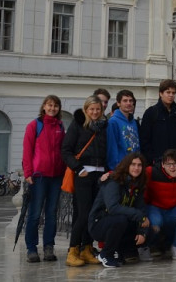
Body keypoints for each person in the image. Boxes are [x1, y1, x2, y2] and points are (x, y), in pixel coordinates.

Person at [61, 95, 108, 266]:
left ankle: (87, 248)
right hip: (84, 174)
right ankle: (73, 249)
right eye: (92, 109)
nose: (95, 112)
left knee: (93, 214)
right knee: (83, 214)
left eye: (97, 109)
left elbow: (106, 150)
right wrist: (78, 168)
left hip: (100, 174)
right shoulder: (78, 125)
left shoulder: (104, 126)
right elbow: (66, 150)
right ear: (86, 110)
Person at [23, 95, 67, 263]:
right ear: (44, 107)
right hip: (39, 176)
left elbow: (63, 150)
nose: (52, 108)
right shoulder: (34, 125)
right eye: (50, 105)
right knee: (34, 214)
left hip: (56, 177)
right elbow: (27, 150)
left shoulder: (60, 126)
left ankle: (49, 247)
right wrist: (28, 173)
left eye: (56, 106)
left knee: (51, 214)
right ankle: (31, 248)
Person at [88, 153, 150, 268]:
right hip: (99, 223)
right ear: (126, 165)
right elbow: (113, 208)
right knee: (121, 219)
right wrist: (139, 215)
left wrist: (142, 232)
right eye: (133, 164)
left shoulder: (137, 184)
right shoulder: (113, 180)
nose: (136, 168)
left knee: (146, 224)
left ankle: (119, 252)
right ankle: (105, 254)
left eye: (139, 165)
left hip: (118, 221)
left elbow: (142, 209)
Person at [140, 79, 176, 164]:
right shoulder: (151, 112)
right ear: (161, 93)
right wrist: (152, 159)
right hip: (158, 162)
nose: (171, 95)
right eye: (168, 92)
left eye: (173, 93)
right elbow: (144, 140)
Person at [107, 90, 140, 170]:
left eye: (130, 101)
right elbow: (112, 147)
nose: (128, 103)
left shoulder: (133, 122)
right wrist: (115, 167)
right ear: (118, 103)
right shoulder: (113, 122)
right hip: (121, 168)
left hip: (135, 167)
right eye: (125, 101)